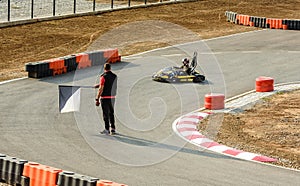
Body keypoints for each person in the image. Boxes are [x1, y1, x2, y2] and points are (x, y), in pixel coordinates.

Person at [94, 63, 118, 135]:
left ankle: (107, 129)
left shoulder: (103, 77)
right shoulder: (115, 76)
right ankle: (113, 128)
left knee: (105, 114)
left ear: (104, 69)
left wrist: (97, 98)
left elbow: (101, 88)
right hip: (112, 97)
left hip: (105, 97)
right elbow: (110, 84)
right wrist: (99, 85)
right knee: (111, 113)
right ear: (110, 68)